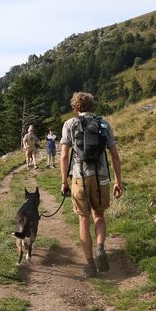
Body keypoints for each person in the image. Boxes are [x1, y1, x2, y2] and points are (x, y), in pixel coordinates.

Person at [59, 92, 123, 278]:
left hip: (80, 177)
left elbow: (64, 156)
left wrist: (64, 181)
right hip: (101, 175)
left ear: (75, 107)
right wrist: (118, 181)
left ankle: (89, 265)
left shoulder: (69, 124)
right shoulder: (104, 124)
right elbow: (115, 155)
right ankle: (101, 248)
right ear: (92, 105)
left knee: (83, 219)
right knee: (99, 215)